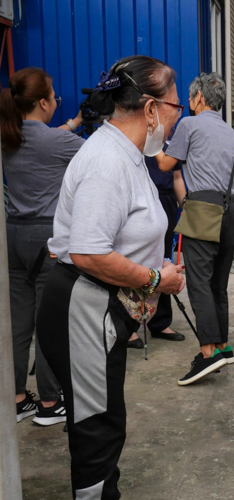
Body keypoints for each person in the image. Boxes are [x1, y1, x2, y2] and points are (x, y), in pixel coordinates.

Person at [37, 55, 186, 499]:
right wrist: (155, 277)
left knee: (102, 417)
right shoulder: (107, 160)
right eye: (176, 107)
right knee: (96, 427)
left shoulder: (127, 153)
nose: (178, 118)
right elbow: (87, 251)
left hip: (98, 305)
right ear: (152, 108)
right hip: (84, 304)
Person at [0, 67, 84, 425]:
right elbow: (98, 153)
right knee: (50, 322)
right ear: (44, 102)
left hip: (13, 234)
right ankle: (50, 403)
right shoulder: (58, 143)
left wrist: (71, 123)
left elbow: (45, 138)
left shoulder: (8, 137)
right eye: (54, 96)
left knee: (19, 323)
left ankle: (18, 397)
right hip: (46, 237)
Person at [155, 72, 234, 386]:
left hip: (203, 209)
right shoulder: (228, 131)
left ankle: (207, 353)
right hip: (231, 210)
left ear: (199, 98)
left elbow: (166, 164)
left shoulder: (188, 125)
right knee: (218, 283)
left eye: (190, 98)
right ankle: (222, 346)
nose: (188, 104)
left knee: (199, 283)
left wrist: (152, 137)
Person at [143, 148, 186, 343]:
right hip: (141, 200)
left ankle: (160, 322)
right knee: (136, 258)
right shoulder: (136, 138)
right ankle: (130, 327)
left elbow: (177, 177)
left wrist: (186, 206)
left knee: (164, 260)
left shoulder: (170, 144)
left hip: (166, 200)